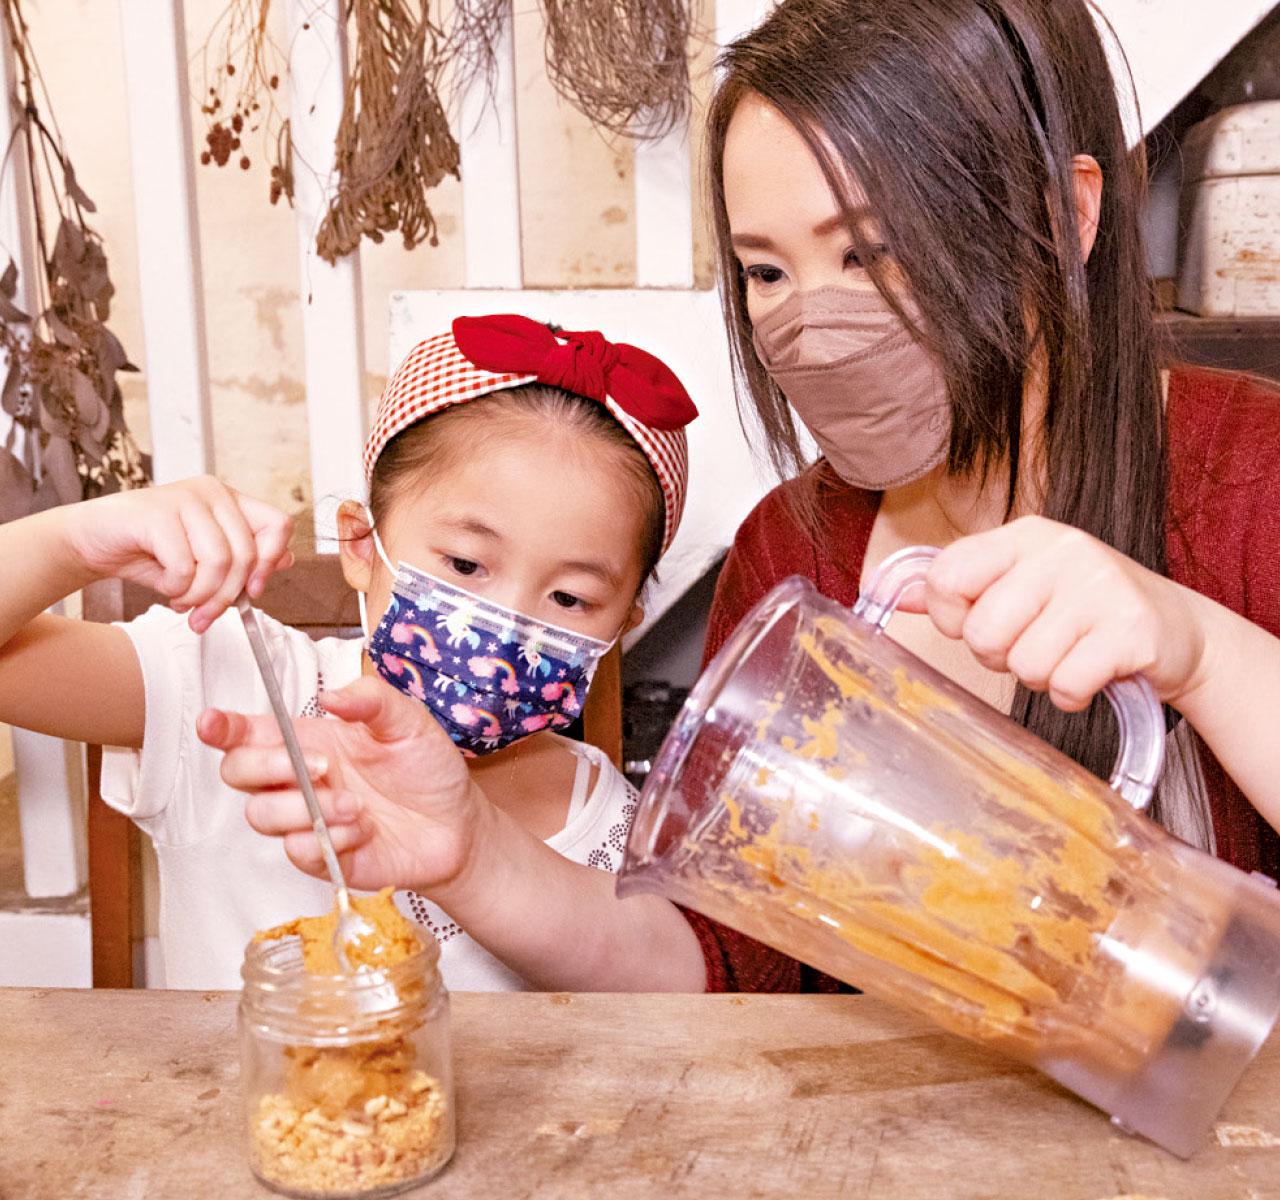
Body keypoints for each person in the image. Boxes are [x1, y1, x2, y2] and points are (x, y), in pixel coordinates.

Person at [205, 0, 1280, 995]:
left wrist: (1195, 648)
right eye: (764, 271)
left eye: (869, 251)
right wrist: (470, 854)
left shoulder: (1250, 475)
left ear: (1063, 216)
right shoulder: (794, 558)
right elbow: (718, 967)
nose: (809, 321)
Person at [0, 314, 703, 991]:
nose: (507, 623)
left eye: (570, 599)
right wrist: (74, 542)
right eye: (464, 564)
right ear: (362, 547)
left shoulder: (624, 840)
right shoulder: (228, 687)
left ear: (625, 621)